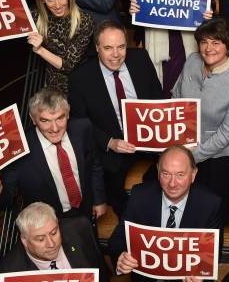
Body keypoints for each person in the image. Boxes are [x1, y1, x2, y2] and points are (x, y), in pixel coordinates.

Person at [68, 19, 163, 216]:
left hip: (149, 137)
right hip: (113, 144)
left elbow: (158, 98)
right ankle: (127, 219)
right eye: (108, 48)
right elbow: (80, 124)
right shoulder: (81, 78)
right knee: (115, 188)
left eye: (121, 47)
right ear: (97, 48)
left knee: (171, 167)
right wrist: (110, 142)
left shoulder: (141, 59)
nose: (116, 54)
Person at [0, 88, 107, 220]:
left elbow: (94, 165)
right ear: (33, 119)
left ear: (68, 113)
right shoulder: (18, 149)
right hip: (48, 221)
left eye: (60, 118)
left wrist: (99, 200)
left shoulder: (82, 128)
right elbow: (5, 201)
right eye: (45, 121)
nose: (55, 128)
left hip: (86, 210)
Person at [172, 18, 229, 214]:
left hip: (216, 159)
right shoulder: (192, 60)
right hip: (183, 144)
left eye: (216, 42)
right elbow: (175, 96)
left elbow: (227, 134)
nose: (208, 48)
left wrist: (192, 154)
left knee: (207, 211)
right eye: (204, 42)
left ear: (228, 46)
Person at [108, 145, 222, 282]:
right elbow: (117, 239)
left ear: (193, 174)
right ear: (157, 171)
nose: (172, 183)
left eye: (180, 175)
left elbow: (212, 256)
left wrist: (202, 279)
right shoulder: (140, 195)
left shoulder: (210, 204)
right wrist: (121, 257)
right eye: (165, 174)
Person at [0, 202, 110, 282]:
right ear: (24, 241)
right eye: (40, 239)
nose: (51, 244)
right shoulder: (10, 271)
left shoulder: (80, 228)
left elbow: (100, 270)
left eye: (54, 233)